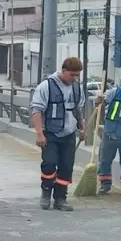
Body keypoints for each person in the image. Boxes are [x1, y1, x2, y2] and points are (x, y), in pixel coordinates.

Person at [30, 56, 87, 211]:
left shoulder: (76, 88)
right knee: (49, 163)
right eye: (72, 75)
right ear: (63, 70)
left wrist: (82, 128)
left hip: (69, 134)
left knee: (66, 167)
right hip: (51, 133)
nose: (74, 78)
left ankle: (60, 198)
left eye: (77, 75)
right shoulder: (46, 86)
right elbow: (37, 110)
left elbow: (78, 110)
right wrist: (39, 134)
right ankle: (46, 192)